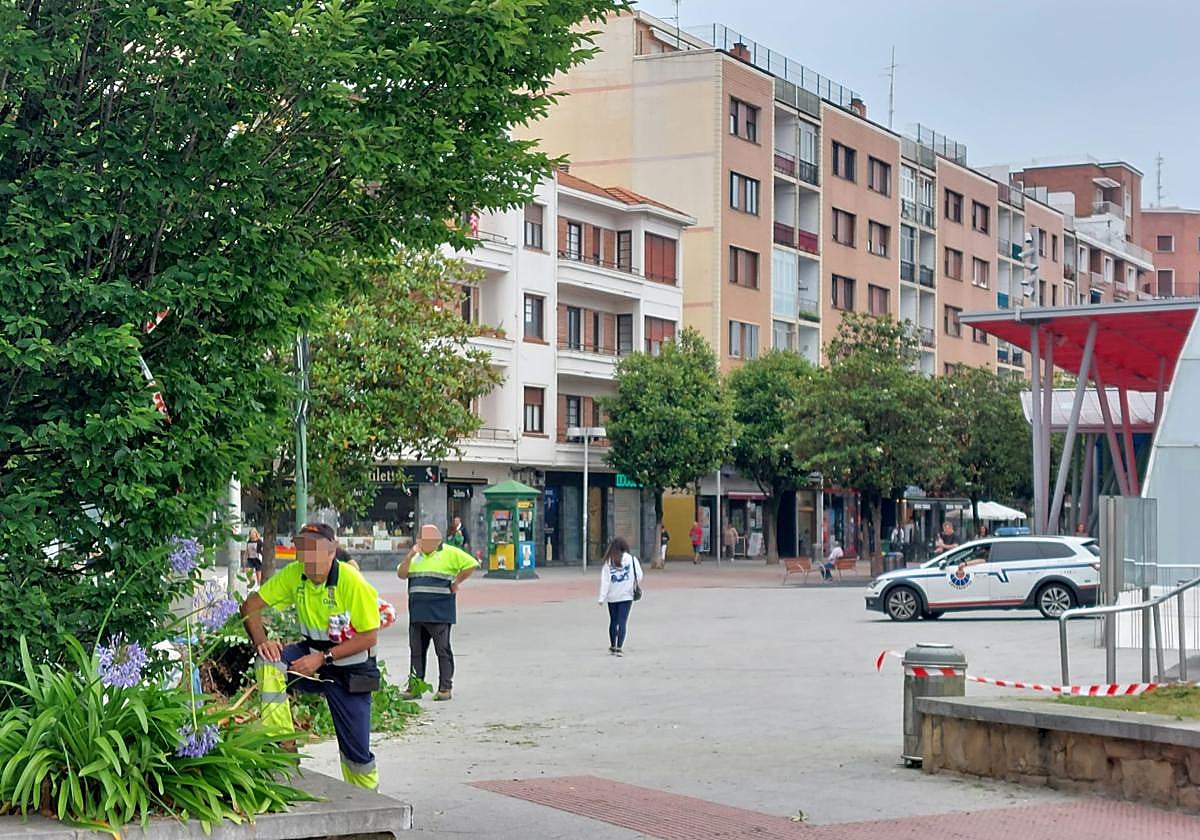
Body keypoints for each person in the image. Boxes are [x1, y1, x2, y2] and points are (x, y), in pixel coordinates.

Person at [240, 522, 382, 790]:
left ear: (332, 552)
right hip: (311, 658)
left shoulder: (352, 582)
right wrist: (262, 641)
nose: (308, 556)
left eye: (315, 550)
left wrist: (323, 658)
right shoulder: (295, 575)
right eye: (303, 549)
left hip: (351, 670)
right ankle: (282, 743)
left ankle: (370, 807)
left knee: (357, 756)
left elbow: (369, 638)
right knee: (269, 661)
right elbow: (250, 607)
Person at [396, 523, 479, 701]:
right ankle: (414, 687)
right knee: (416, 651)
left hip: (440, 612)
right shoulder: (415, 557)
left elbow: (472, 564)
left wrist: (457, 581)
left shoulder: (450, 552)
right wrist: (410, 555)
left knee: (442, 650)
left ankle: (445, 687)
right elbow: (401, 574)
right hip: (417, 613)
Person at [597, 537, 643, 656]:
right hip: (626, 595)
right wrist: (630, 582)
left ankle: (612, 645)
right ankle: (619, 646)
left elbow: (605, 581)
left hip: (612, 596)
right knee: (622, 621)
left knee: (613, 621)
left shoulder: (609, 562)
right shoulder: (632, 559)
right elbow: (639, 575)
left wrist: (602, 597)